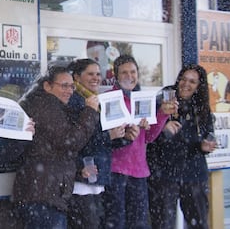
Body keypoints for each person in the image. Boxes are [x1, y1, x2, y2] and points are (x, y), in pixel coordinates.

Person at [12, 65, 100, 228]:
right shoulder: (46, 107)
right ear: (47, 86)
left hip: (45, 194)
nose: (69, 90)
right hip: (42, 196)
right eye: (64, 85)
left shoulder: (52, 106)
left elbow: (53, 153)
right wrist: (90, 112)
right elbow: (70, 141)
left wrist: (78, 171)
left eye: (72, 86)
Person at [102, 54, 176, 229]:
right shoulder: (108, 98)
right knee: (115, 222)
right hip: (115, 170)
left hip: (139, 171)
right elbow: (103, 138)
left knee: (139, 223)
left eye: (133, 72)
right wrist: (121, 133)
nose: (129, 76)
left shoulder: (143, 99)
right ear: (116, 76)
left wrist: (163, 114)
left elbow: (149, 138)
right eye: (124, 72)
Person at [147, 64, 217, 229]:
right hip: (163, 172)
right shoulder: (164, 98)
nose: (186, 84)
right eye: (184, 79)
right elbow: (147, 133)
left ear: (199, 86)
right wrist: (162, 127)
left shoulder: (202, 106)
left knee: (198, 223)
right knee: (163, 223)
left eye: (192, 82)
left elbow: (209, 134)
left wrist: (206, 145)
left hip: (193, 172)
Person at [66, 58, 130, 229]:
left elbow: (104, 141)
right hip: (82, 180)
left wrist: (124, 136)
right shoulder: (74, 102)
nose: (95, 78)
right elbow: (76, 141)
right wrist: (108, 136)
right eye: (90, 74)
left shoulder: (96, 100)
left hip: (98, 177)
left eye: (98, 74)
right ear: (77, 78)